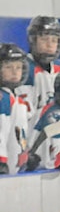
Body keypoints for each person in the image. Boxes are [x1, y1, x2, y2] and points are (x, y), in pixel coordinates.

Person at [18, 16, 60, 121]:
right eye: (44, 39)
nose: (49, 45)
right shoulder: (23, 68)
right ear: (33, 40)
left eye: (54, 40)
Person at [0, 43, 31, 174]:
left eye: (18, 67)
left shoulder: (18, 98)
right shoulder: (4, 98)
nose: (14, 72)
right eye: (8, 67)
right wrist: (1, 160)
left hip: (16, 166)